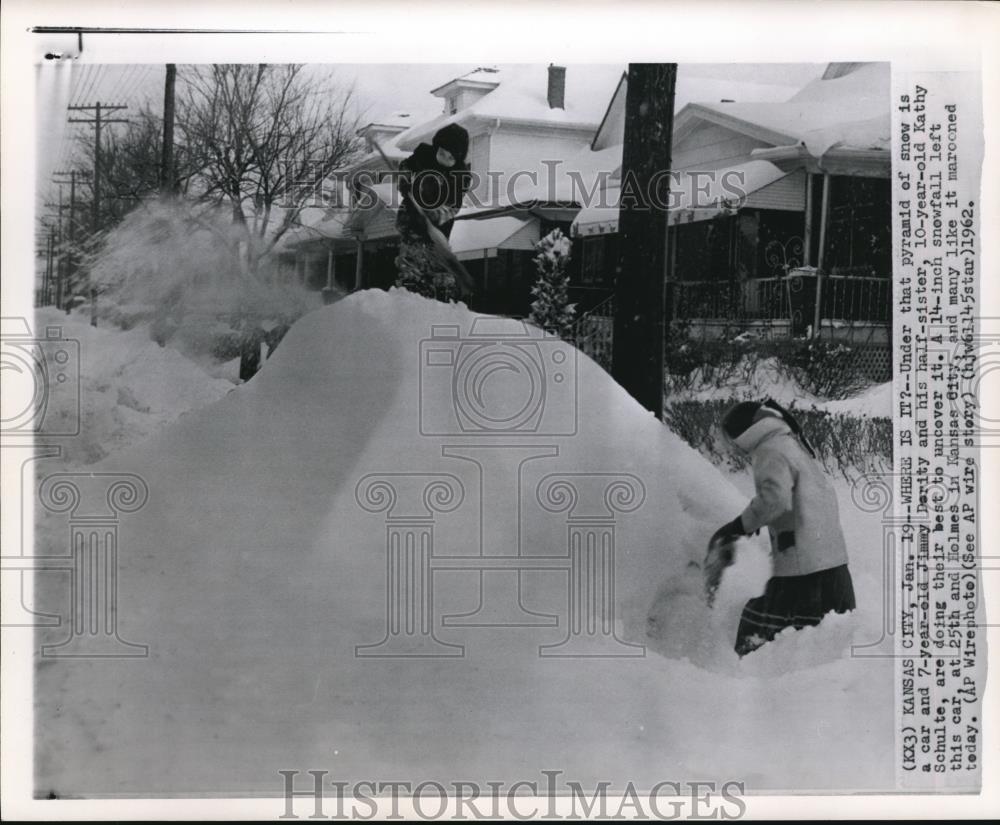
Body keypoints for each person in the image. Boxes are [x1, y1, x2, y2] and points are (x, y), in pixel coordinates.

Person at [704, 398, 856, 656]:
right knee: (827, 639)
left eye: (731, 441)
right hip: (830, 561)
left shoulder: (770, 450)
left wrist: (740, 525)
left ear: (743, 435)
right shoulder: (788, 443)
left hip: (802, 564)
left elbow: (774, 499)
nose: (733, 448)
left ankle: (743, 675)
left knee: (760, 636)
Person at [394, 123, 472, 302]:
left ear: (458, 158)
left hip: (438, 226)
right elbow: (405, 166)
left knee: (437, 263)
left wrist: (433, 216)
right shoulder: (423, 155)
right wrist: (405, 180)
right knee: (412, 257)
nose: (443, 158)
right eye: (441, 153)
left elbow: (453, 207)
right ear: (436, 148)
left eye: (450, 157)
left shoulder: (460, 177)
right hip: (410, 216)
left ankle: (442, 299)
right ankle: (409, 291)